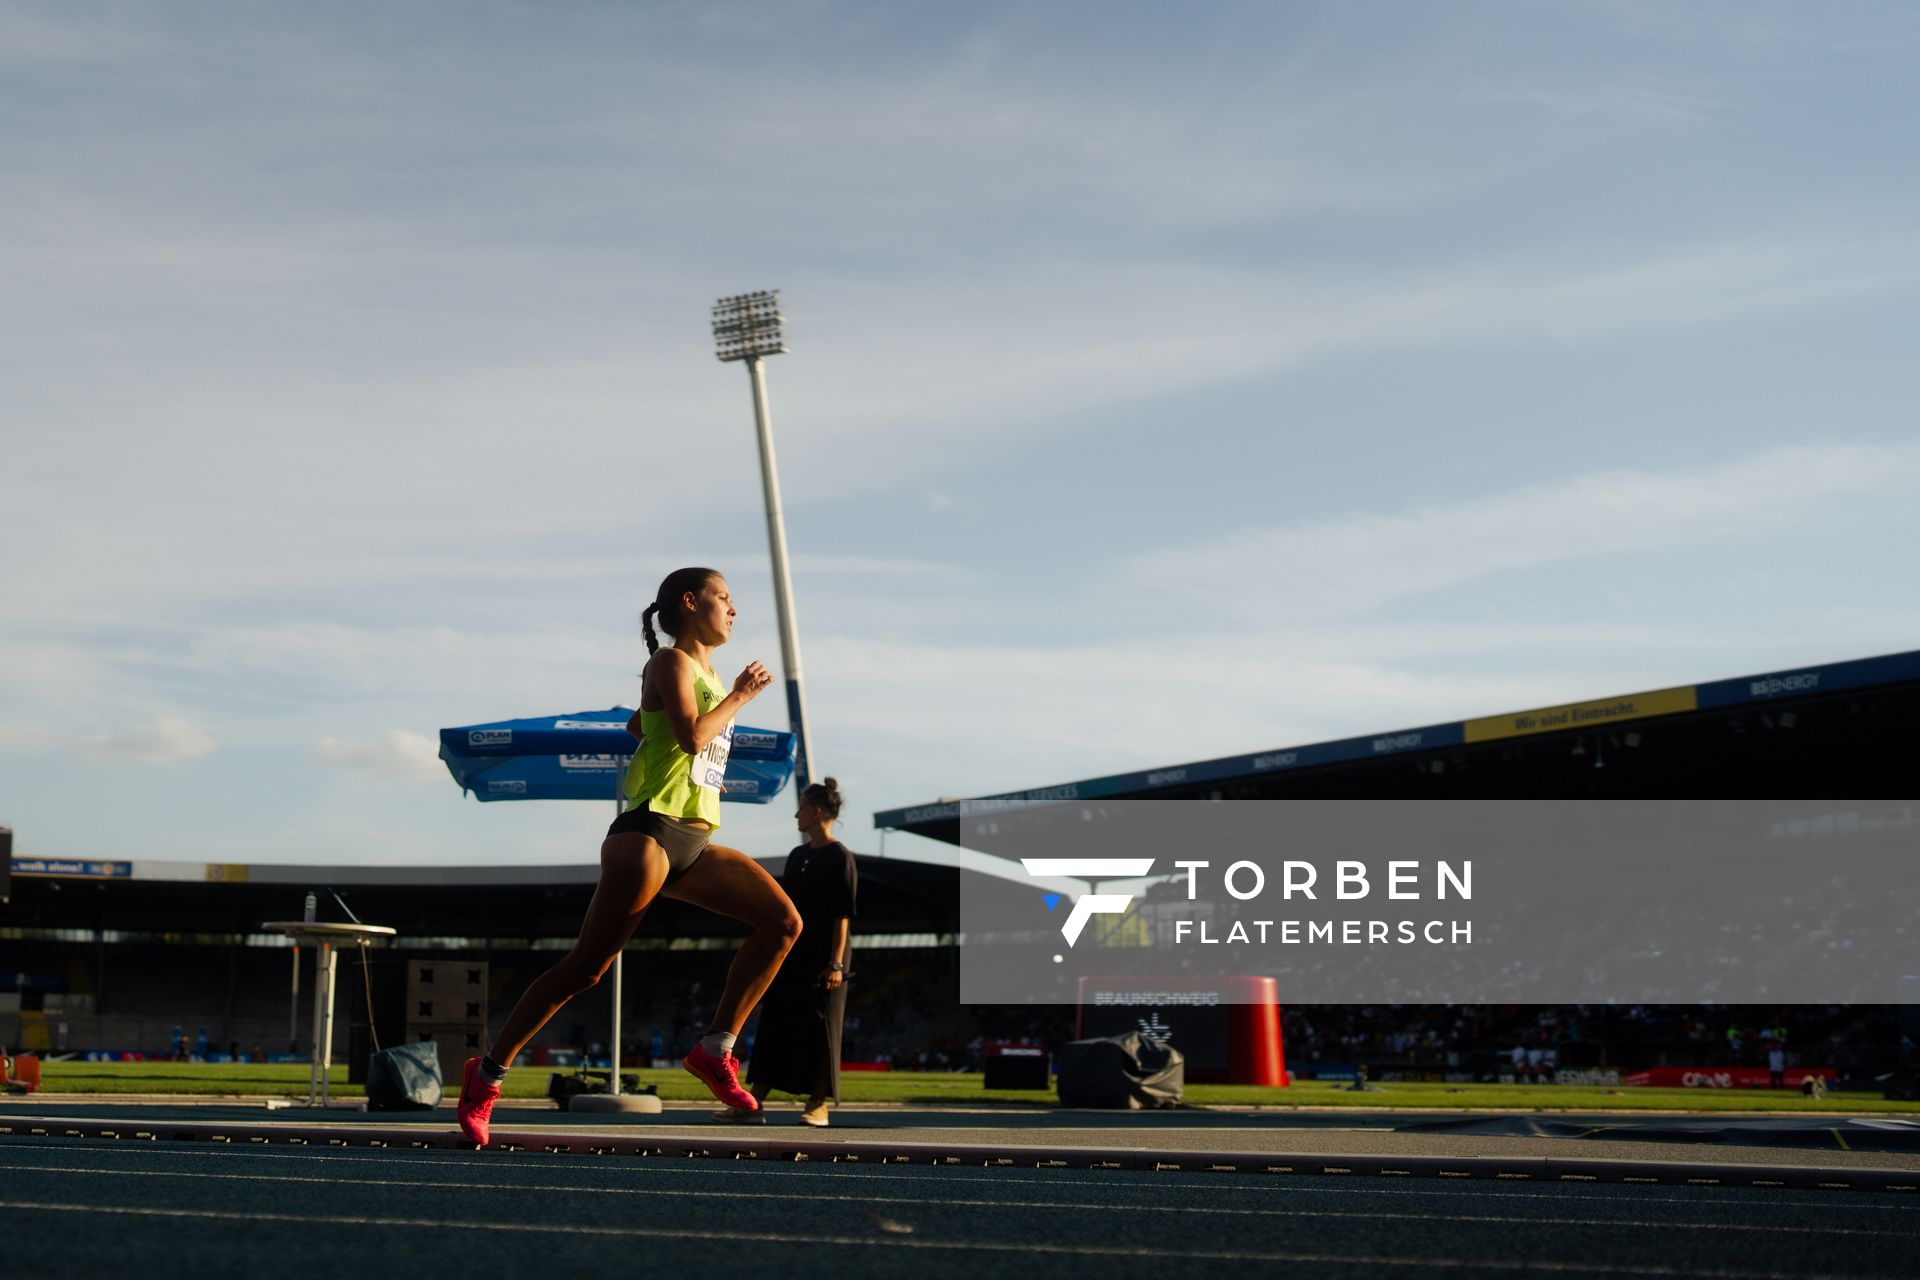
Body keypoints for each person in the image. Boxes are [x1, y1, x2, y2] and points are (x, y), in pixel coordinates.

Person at [456, 567, 803, 1145]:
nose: (734, 609)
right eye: (725, 598)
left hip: (695, 839)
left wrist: (665, 713)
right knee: (585, 968)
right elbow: (692, 738)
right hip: (646, 834)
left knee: (784, 922)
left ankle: (715, 1049)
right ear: (691, 604)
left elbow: (638, 724)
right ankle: (485, 1075)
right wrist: (741, 697)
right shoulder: (672, 663)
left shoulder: (700, 673)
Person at [719, 778, 859, 1127]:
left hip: (826, 958)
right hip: (791, 952)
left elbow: (843, 915)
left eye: (800, 807)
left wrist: (836, 964)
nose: (796, 814)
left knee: (821, 1030)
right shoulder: (798, 856)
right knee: (774, 1023)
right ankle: (753, 1103)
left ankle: (817, 1104)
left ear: (816, 812)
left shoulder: (840, 857)